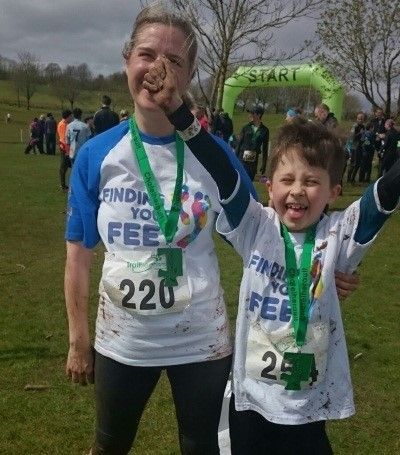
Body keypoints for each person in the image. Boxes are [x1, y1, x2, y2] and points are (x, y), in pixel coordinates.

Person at [143, 73, 399, 452]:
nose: (297, 191)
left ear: (334, 192)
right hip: (253, 403)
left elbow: (384, 197)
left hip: (309, 405)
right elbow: (223, 174)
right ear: (270, 185)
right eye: (287, 179)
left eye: (312, 181)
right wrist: (181, 115)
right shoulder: (255, 226)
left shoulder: (338, 235)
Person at [64, 6, 257, 454]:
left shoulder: (216, 155)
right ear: (128, 59)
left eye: (173, 61)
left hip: (201, 339)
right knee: (109, 446)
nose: (157, 70)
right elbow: (78, 252)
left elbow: (260, 236)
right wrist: (77, 339)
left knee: (201, 447)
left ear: (189, 74)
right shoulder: (97, 155)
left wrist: (324, 265)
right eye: (147, 54)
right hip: (124, 339)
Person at [235, 106, 269, 180]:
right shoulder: (246, 127)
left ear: (259, 115)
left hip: (253, 161)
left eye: (252, 113)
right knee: (240, 179)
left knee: (249, 179)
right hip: (241, 158)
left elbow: (265, 148)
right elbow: (239, 144)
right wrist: (234, 159)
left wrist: (264, 164)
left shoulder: (265, 130)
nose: (250, 115)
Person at [347, 111, 366, 184]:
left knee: (358, 164)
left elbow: (363, 138)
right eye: (359, 118)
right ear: (357, 119)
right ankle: (349, 179)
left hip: (360, 147)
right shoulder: (354, 126)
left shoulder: (363, 126)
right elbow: (351, 137)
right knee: (353, 163)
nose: (361, 120)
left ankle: (353, 179)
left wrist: (366, 141)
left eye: (362, 119)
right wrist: (359, 133)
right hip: (353, 147)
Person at [57, 109, 73, 191]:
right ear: (68, 116)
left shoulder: (65, 123)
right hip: (64, 148)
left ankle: (64, 185)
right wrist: (67, 151)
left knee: (67, 166)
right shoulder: (63, 125)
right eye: (71, 116)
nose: (72, 117)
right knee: (64, 167)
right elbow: (64, 139)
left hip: (66, 147)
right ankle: (63, 185)